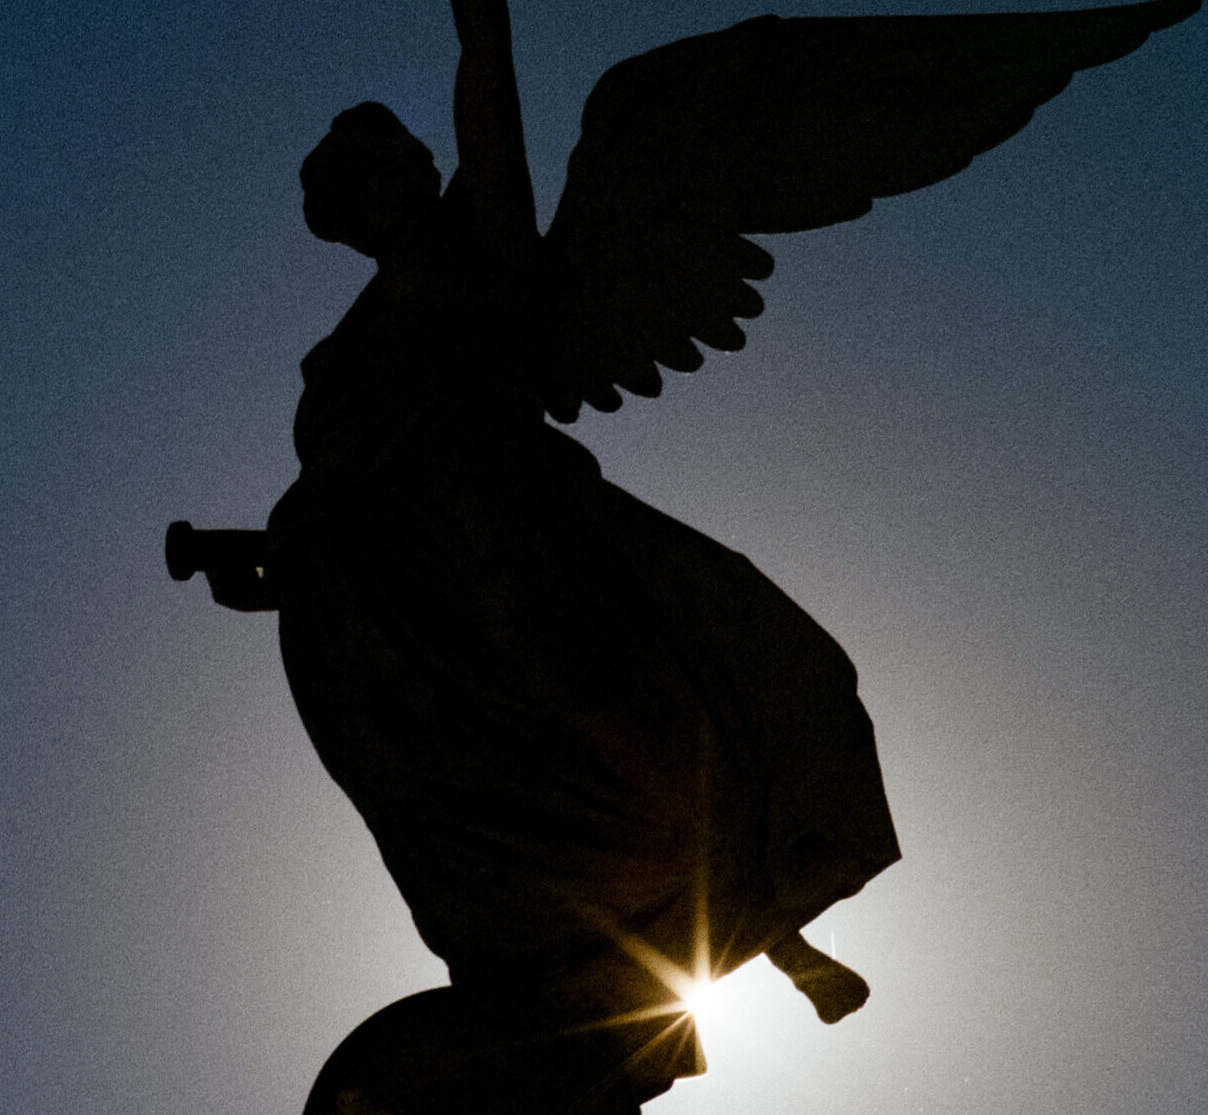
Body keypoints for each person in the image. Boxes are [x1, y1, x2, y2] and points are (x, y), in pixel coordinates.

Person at [268, 3, 898, 1111]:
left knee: (698, 704)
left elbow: (491, 133)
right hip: (400, 604)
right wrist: (278, 561)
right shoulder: (338, 360)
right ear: (350, 210)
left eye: (409, 155)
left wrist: (483, 29)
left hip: (522, 529)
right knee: (490, 801)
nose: (410, 172)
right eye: (380, 169)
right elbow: (333, 500)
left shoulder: (480, 246)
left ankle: (768, 934)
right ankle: (600, 967)